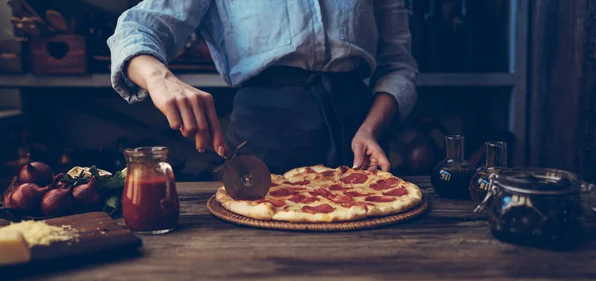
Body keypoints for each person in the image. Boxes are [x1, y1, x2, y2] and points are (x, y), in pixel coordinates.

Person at [108, 0, 417, 174]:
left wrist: (370, 130)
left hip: (362, 135)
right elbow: (138, 28)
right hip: (264, 134)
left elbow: (398, 66)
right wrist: (160, 78)